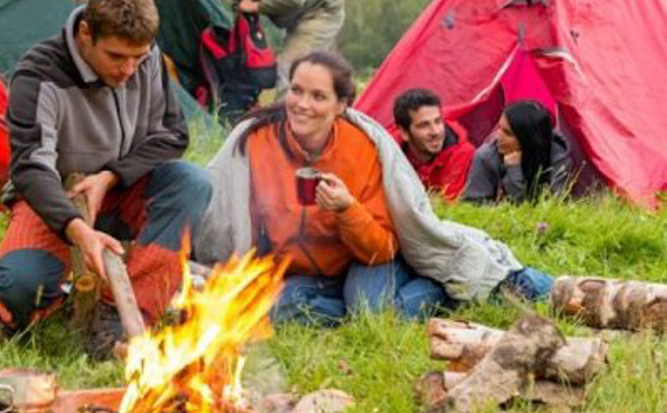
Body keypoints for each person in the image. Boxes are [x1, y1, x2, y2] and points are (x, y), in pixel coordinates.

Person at [193, 51, 555, 326]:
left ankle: (441, 290)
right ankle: (341, 304)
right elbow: (221, 204)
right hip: (304, 271)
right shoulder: (258, 141)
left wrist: (347, 208)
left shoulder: (361, 148)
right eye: (297, 91)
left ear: (341, 106)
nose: (302, 105)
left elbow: (380, 246)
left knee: (372, 312)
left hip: (368, 257)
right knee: (267, 312)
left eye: (318, 97)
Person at [0, 0, 212, 358]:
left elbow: (173, 135)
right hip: (56, 198)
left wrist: (110, 177)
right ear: (86, 33)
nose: (128, 70)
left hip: (122, 189)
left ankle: (119, 319)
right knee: (21, 286)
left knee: (192, 181)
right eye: (116, 57)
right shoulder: (38, 73)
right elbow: (30, 169)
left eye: (138, 58)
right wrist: (78, 230)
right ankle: (25, 314)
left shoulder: (148, 59)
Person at [193, 0, 344, 95]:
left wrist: (257, 6)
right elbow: (240, 3)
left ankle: (282, 119)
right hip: (296, 17)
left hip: (320, 11)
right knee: (317, 72)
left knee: (289, 69)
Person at [461, 100, 573, 204]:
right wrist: (514, 170)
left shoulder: (557, 156)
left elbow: (553, 205)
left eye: (508, 133)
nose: (498, 136)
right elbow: (473, 204)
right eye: (499, 128)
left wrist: (514, 170)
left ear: (528, 139)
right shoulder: (486, 156)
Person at [391, 88, 475, 201]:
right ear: (404, 133)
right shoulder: (389, 152)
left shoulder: (461, 152)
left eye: (438, 121)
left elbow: (448, 204)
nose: (435, 132)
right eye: (424, 125)